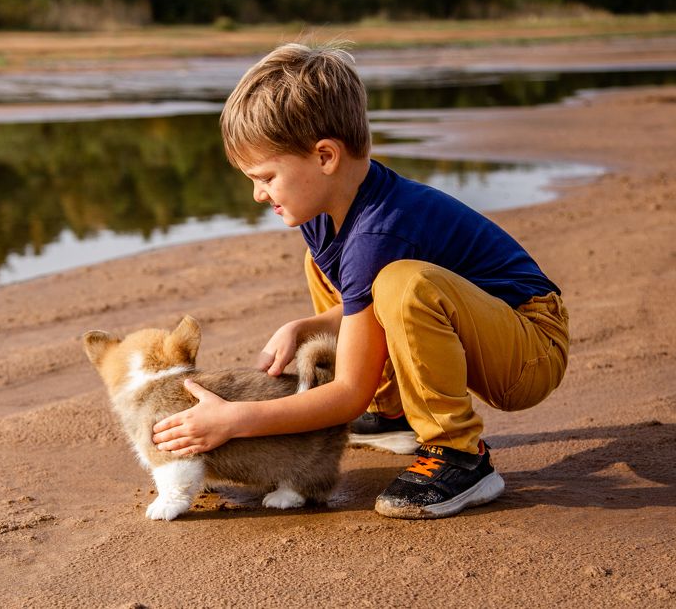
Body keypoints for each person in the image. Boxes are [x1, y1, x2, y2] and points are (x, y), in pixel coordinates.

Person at [150, 43, 569, 519]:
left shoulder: (378, 232)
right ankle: (392, 413)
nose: (257, 193)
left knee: (400, 284)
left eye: (265, 176)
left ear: (325, 156)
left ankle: (460, 455)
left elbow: (347, 391)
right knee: (342, 270)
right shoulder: (326, 211)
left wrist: (235, 420)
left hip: (531, 347)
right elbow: (362, 306)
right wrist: (305, 327)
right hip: (484, 324)